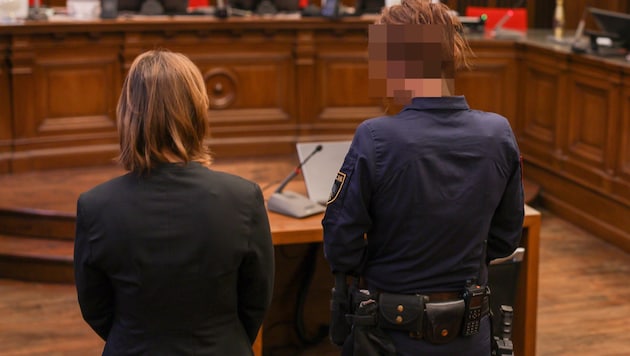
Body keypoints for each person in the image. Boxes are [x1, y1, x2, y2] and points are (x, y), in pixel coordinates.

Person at [323, 1, 524, 355]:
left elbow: (341, 246)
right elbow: (506, 239)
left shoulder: (376, 137)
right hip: (470, 337)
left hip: (390, 339)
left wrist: (394, 266)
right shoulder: (499, 133)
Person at [74, 49, 274, 355]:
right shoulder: (243, 198)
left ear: (127, 114)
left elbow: (95, 307)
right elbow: (256, 300)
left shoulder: (96, 205)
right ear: (197, 111)